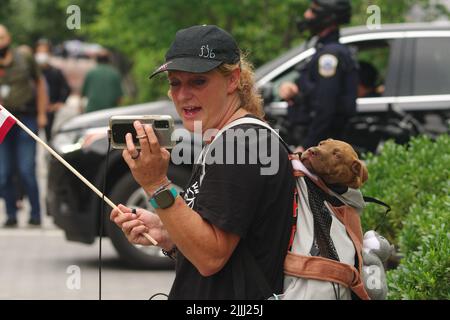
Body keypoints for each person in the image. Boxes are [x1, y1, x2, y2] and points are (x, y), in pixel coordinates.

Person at [110, 25, 295, 299]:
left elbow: (211, 258)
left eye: (198, 81)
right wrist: (167, 233)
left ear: (233, 80)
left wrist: (156, 184)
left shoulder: (241, 144)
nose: (182, 95)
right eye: (175, 82)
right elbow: (225, 246)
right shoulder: (230, 138)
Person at [278, 0, 357, 151]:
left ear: (328, 17)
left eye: (313, 11)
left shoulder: (329, 55)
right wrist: (296, 92)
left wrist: (307, 146)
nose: (306, 15)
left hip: (321, 148)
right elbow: (316, 95)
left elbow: (325, 107)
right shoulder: (325, 50)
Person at [0, 25, 48, 227]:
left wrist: (42, 113)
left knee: (27, 169)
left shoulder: (24, 57)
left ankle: (36, 215)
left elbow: (39, 83)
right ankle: (10, 214)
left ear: (9, 38)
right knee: (3, 172)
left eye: (1, 37)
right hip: (3, 120)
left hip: (25, 119)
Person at [35, 39, 71, 142]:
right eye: (39, 52)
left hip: (51, 112)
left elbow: (66, 88)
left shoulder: (55, 72)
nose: (41, 55)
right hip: (34, 113)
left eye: (44, 52)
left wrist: (58, 104)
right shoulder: (32, 73)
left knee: (50, 139)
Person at [81, 49, 123, 113]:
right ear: (109, 59)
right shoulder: (115, 73)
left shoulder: (91, 73)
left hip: (92, 111)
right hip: (110, 111)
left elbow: (83, 94)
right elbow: (119, 98)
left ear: (97, 60)